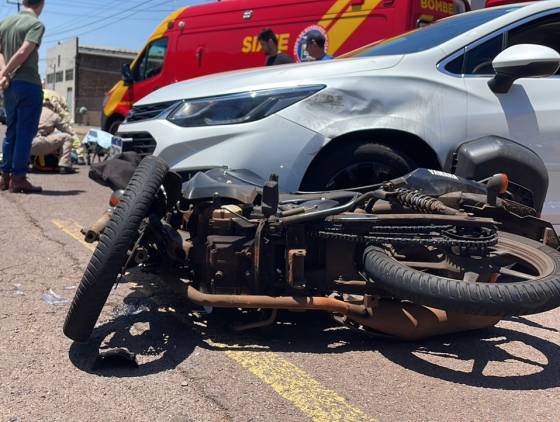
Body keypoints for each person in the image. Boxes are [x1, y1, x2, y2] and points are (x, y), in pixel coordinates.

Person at [0, 0, 45, 193]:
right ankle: (19, 178)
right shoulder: (36, 24)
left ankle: (4, 177)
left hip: (9, 86)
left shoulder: (5, 23)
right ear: (41, 4)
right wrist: (7, 72)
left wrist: (3, 73)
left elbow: (0, 51)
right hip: (28, 84)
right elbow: (24, 51)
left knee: (12, 130)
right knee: (25, 132)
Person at [30, 95, 76, 174]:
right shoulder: (53, 115)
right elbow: (69, 131)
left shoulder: (32, 111)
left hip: (23, 145)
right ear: (52, 107)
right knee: (67, 138)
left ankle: (24, 164)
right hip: (37, 143)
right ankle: (64, 166)